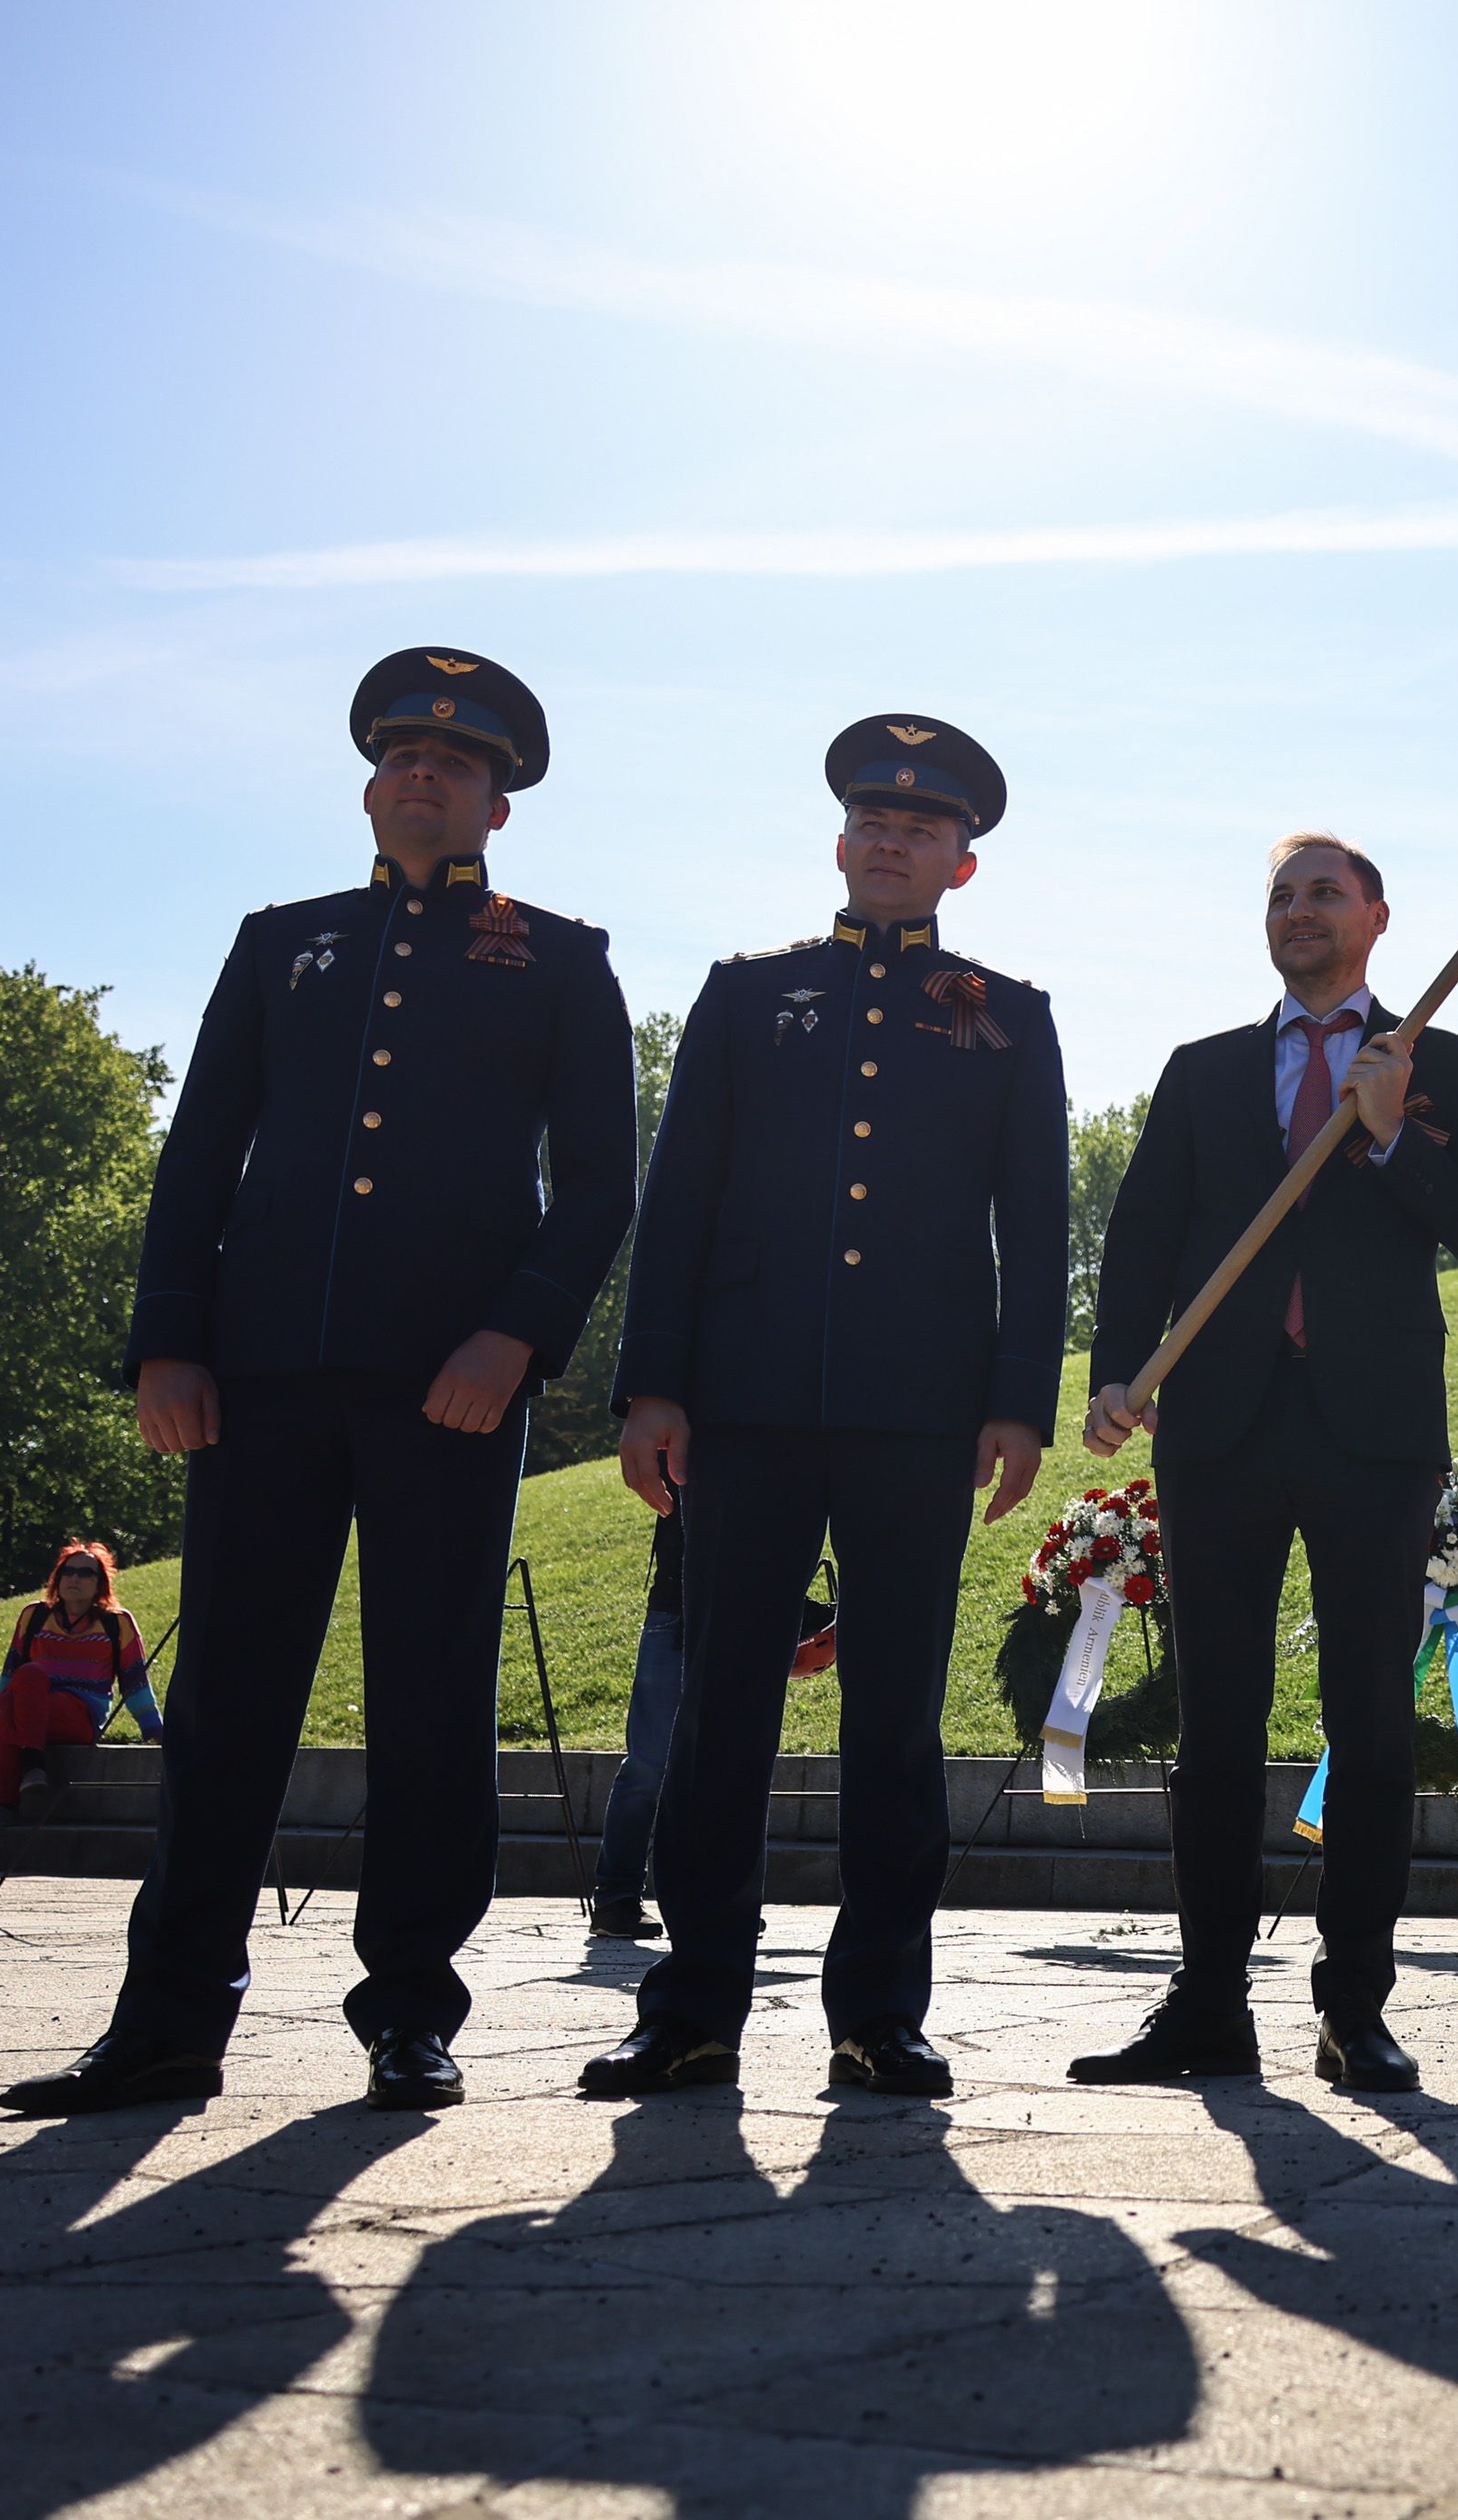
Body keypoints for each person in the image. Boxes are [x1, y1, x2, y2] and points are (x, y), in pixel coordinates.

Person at [3, 650, 636, 2120]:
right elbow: (198, 1152)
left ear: (498, 804)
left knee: (432, 1701)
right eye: (403, 753)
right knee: (225, 1699)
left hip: (451, 1384)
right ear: (369, 785)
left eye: (456, 762)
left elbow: (601, 1187)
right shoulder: (282, 943)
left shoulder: (559, 960)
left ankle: (411, 2010)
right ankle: (167, 2020)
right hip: (261, 1374)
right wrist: (169, 1339)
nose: (424, 773)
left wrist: (514, 1338)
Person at [578, 716, 1068, 2103]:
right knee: (720, 1710)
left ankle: (879, 2014)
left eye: (923, 828)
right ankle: (691, 2009)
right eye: (874, 820)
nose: (893, 841)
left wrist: (1017, 1404)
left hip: (921, 1411)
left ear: (963, 863)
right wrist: (653, 1384)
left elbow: (1036, 1226)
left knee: (894, 1719)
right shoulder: (749, 995)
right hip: (747, 1402)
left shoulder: (1007, 1013)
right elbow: (679, 1199)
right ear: (841, 841)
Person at [1069, 834, 1458, 2097]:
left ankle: (1356, 2009)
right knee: (1216, 1722)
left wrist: (1391, 1138)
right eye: (1280, 894)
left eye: (1324, 891)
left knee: (1371, 1723)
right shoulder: (1204, 1070)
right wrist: (1118, 1371)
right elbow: (1142, 1236)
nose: (1298, 910)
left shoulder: (1438, 1064)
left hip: (1371, 1432)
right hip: (1217, 1428)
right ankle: (1207, 2005)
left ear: (1377, 916)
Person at [585, 1508, 836, 1944]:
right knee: (649, 1767)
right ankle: (617, 1898)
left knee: (723, 1767)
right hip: (678, 1612)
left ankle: (718, 1899)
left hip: (736, 1617)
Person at [0, 1541, 160, 1820]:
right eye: (68, 1571)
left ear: (100, 1584)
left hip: (80, 1716)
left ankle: (14, 1788)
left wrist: (154, 1730)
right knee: (16, 1692)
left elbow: (134, 1681)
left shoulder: (116, 1623)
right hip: (32, 1708)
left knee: (26, 1679)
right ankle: (3, 1804)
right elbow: (10, 1673)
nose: (74, 1578)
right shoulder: (34, 1616)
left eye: (85, 1573)